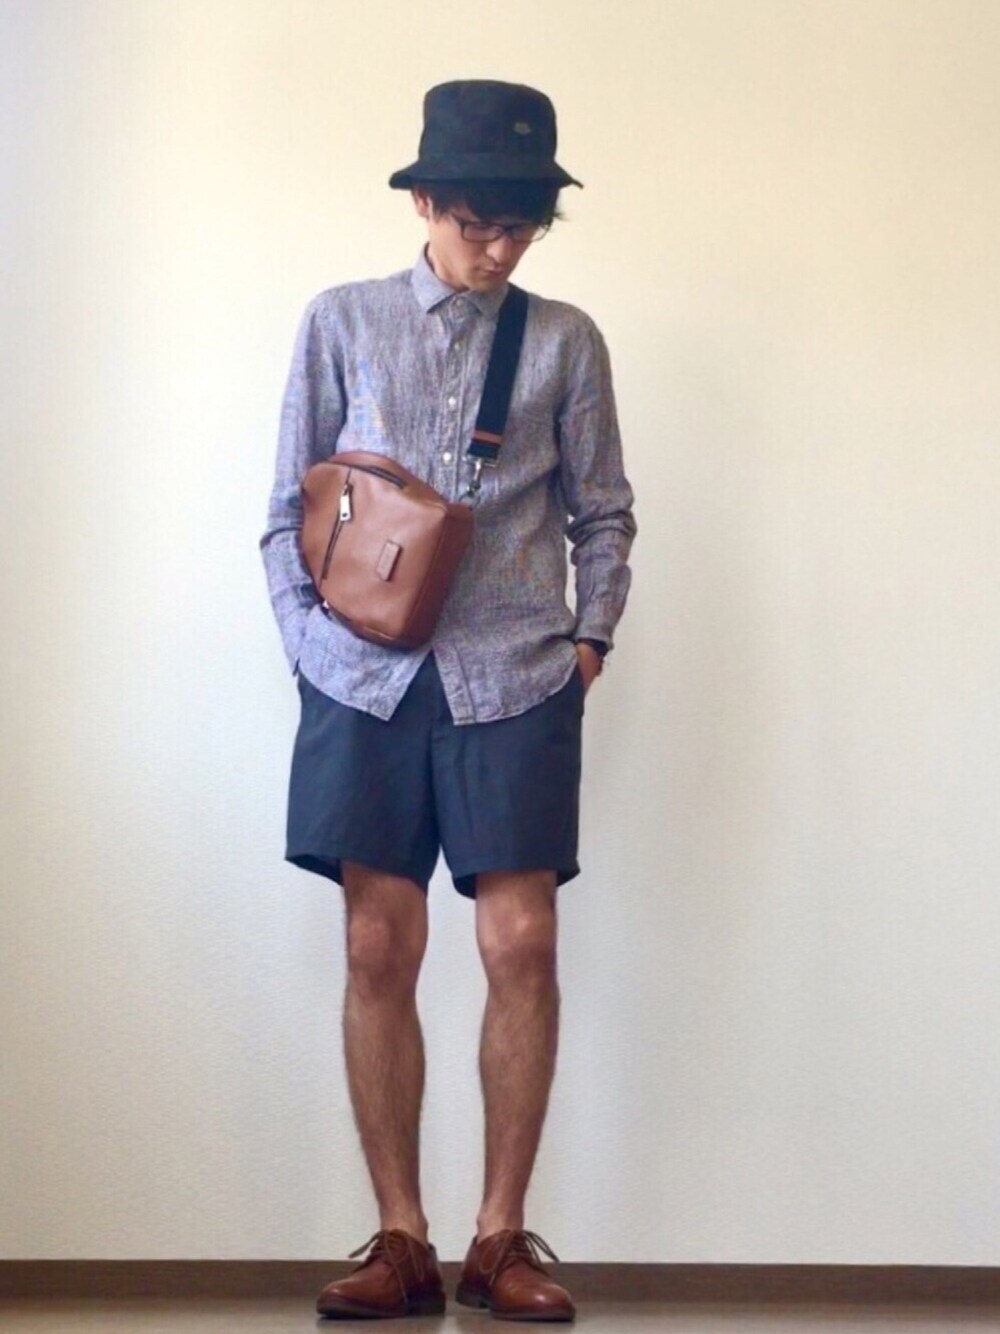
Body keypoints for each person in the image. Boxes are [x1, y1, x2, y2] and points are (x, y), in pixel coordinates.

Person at [260, 79, 636, 1322]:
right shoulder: (341, 319)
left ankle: (499, 1237)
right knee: (377, 942)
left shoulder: (565, 340)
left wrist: (587, 641)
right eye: (480, 221)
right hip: (362, 681)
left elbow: (603, 511)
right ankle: (401, 1238)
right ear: (424, 201)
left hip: (515, 676)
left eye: (524, 225)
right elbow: (285, 507)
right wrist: (310, 647)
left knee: (522, 942)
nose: (502, 246)